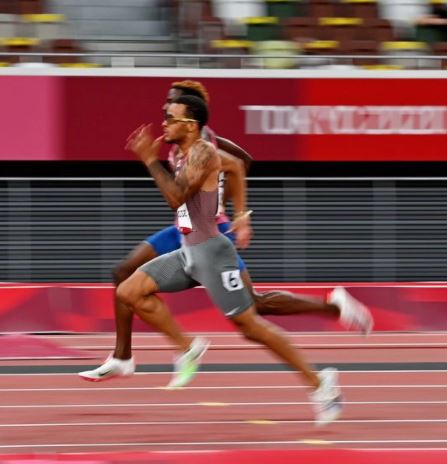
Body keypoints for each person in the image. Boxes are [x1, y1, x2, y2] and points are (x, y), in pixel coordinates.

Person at [78, 81, 372, 382]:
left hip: (211, 231)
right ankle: (124, 356)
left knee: (253, 309)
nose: (164, 111)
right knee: (124, 273)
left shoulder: (204, 143)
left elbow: (238, 164)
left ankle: (332, 314)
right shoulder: (176, 144)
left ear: (189, 116)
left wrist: (237, 212)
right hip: (186, 229)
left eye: (171, 105)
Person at [113, 95, 343, 425]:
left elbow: (177, 196)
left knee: (251, 325)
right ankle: (188, 346)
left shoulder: (203, 153)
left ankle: (321, 384)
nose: (163, 122)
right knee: (128, 290)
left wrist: (149, 160)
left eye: (170, 117)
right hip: (188, 252)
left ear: (190, 125)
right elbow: (218, 178)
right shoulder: (180, 152)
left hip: (213, 254)